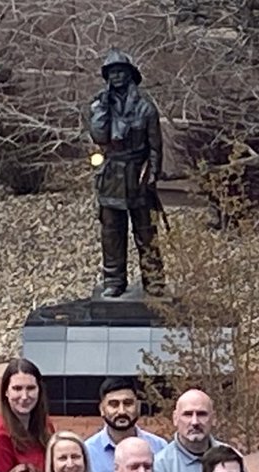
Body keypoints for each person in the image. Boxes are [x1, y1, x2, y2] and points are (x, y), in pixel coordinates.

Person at [90, 48, 165, 298]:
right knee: (111, 231)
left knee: (145, 230)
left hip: (137, 174)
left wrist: (153, 174)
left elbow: (155, 146)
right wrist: (101, 107)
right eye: (112, 73)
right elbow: (99, 136)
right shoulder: (100, 106)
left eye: (121, 71)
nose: (117, 77)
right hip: (111, 176)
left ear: (131, 75)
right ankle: (114, 279)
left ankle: (153, 279)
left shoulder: (146, 109)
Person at [84, 377, 168, 472]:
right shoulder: (88, 452)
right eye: (114, 404)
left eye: (128, 403)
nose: (122, 411)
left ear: (137, 406)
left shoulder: (160, 448)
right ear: (102, 409)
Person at [0, 358, 53, 472]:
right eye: (17, 389)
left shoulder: (45, 424)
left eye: (30, 388)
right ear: (6, 392)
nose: (24, 396)